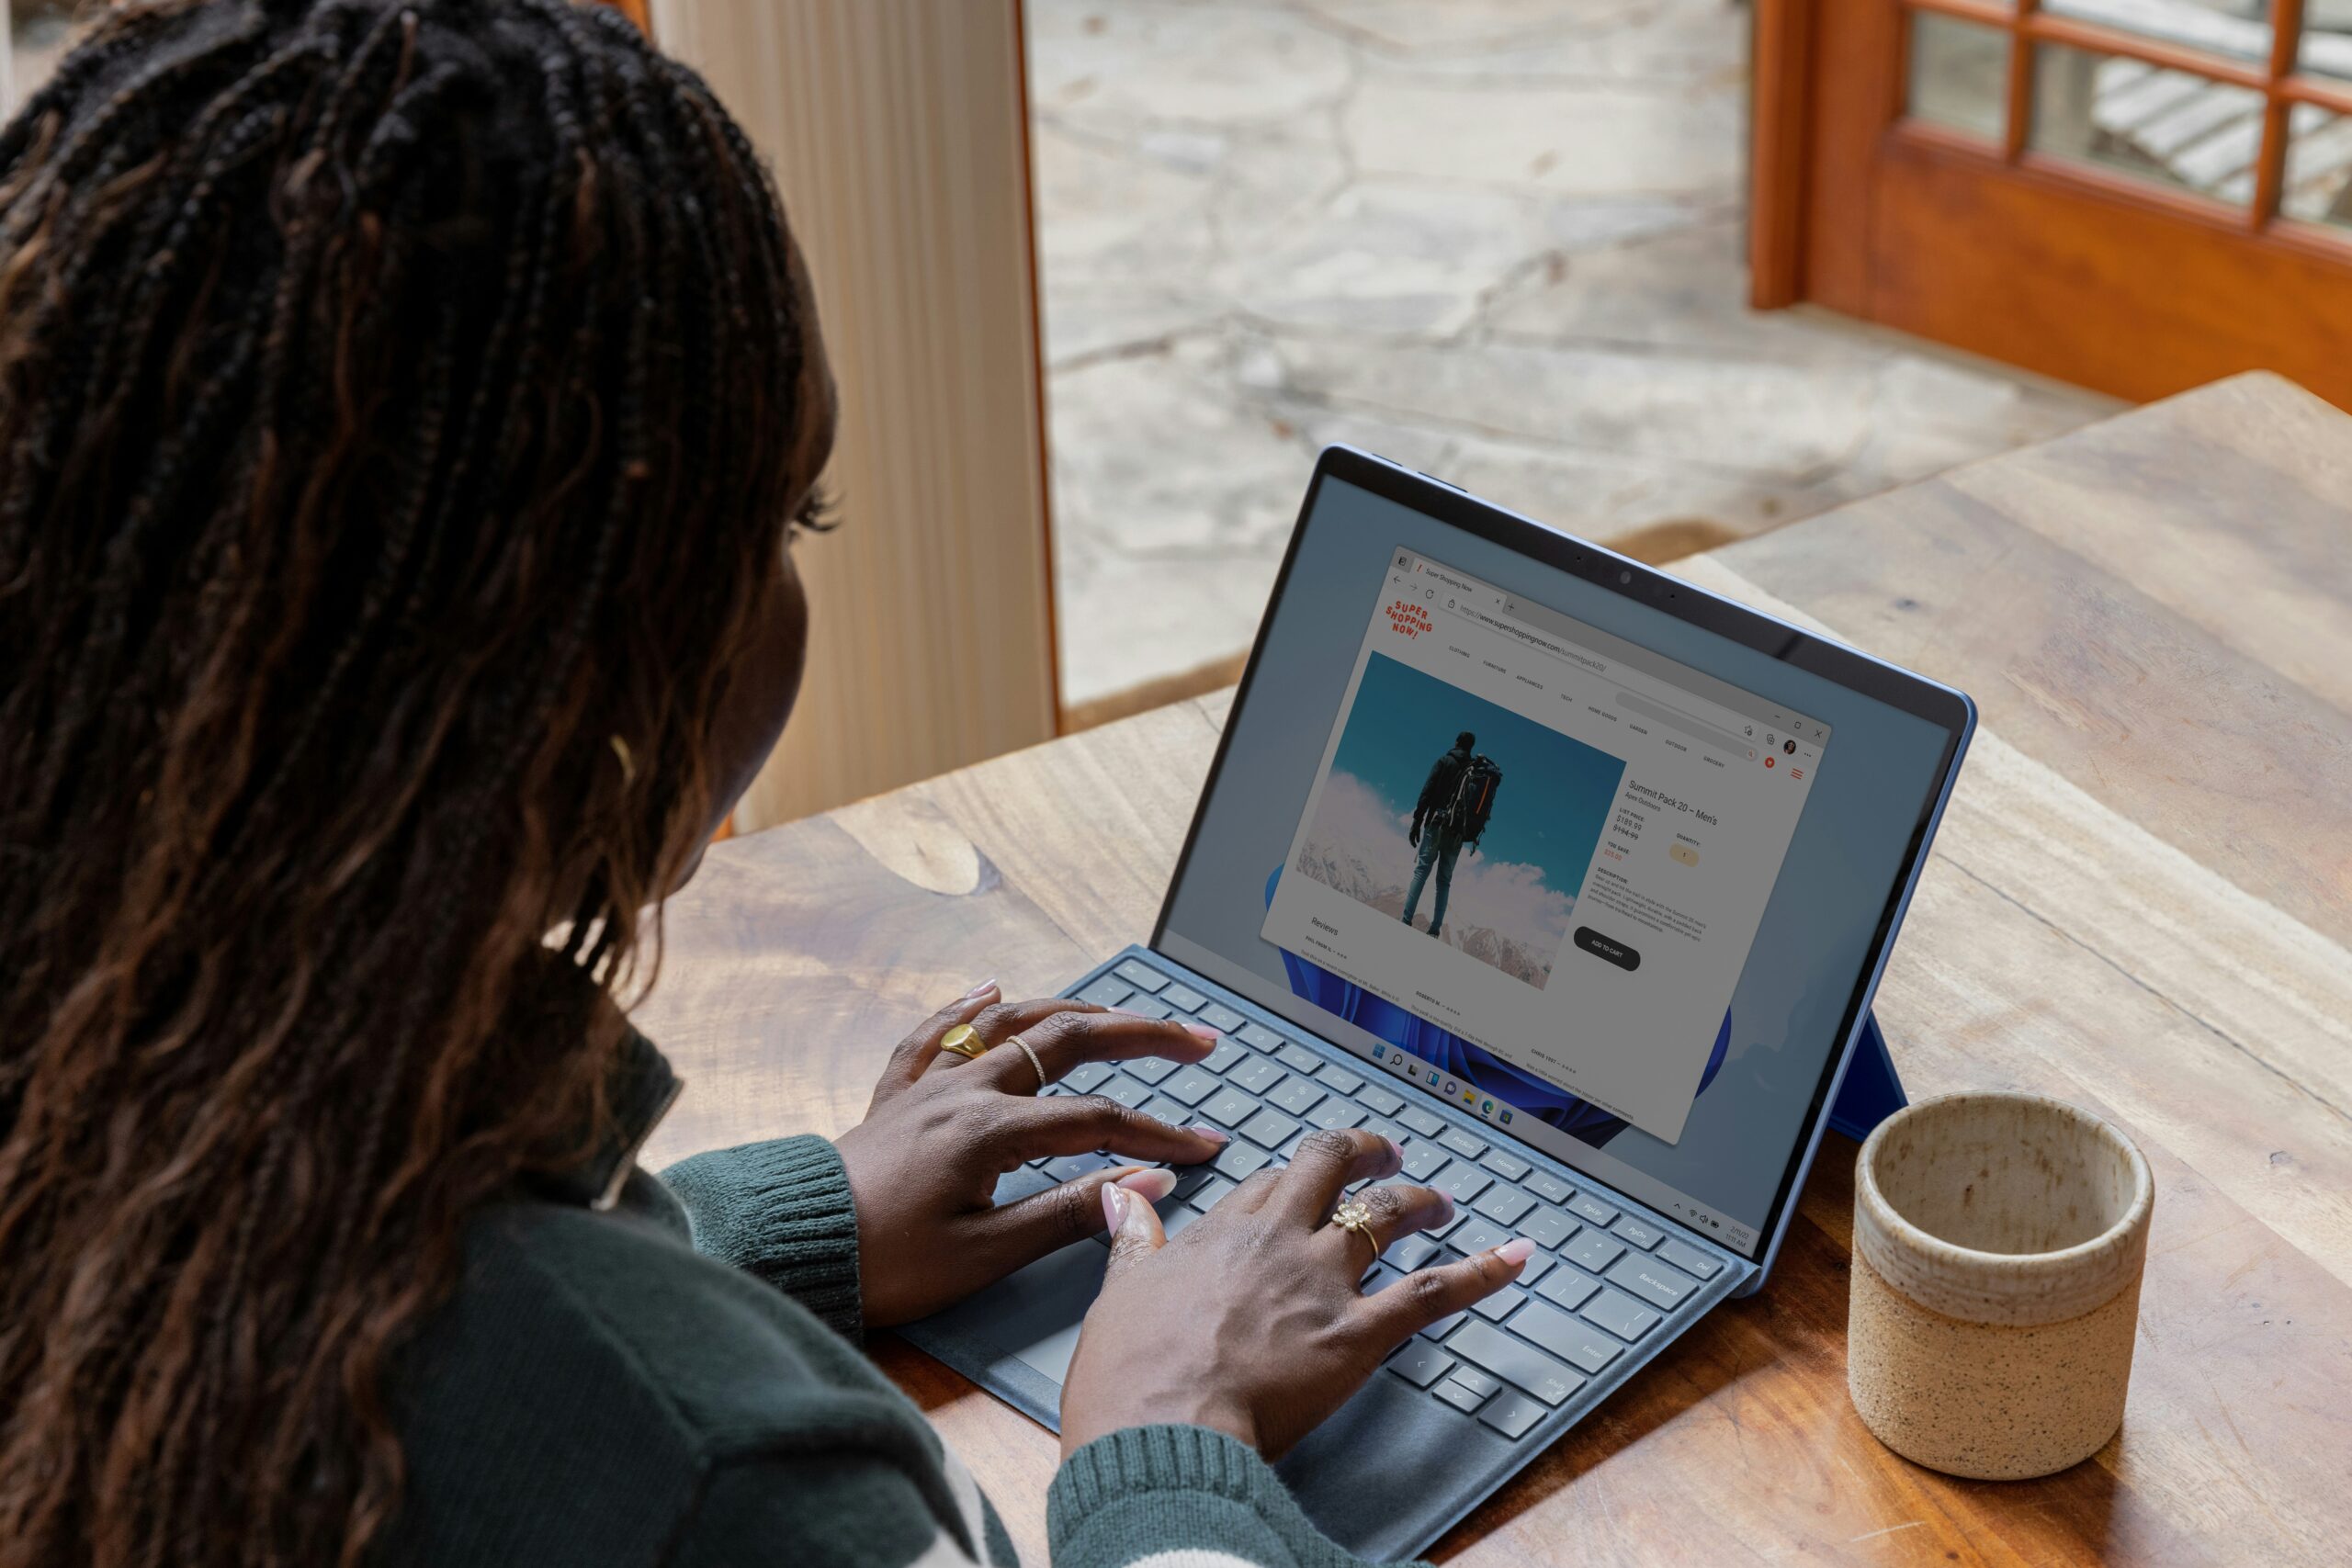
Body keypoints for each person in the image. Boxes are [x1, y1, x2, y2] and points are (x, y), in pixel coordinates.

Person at [0, 5, 1532, 1566]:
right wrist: (1169, 1435)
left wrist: (761, 1231)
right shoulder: (736, 1489)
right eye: (793, 516)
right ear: (598, 654)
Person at [1400, 731, 1501, 941]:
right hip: (1457, 832)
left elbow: (1426, 792)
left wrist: (1417, 821)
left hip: (1435, 825)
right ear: (1471, 748)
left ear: (1456, 742)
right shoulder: (1475, 771)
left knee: (1421, 871)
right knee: (1444, 881)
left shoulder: (1444, 761)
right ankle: (1435, 930)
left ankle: (1406, 920)